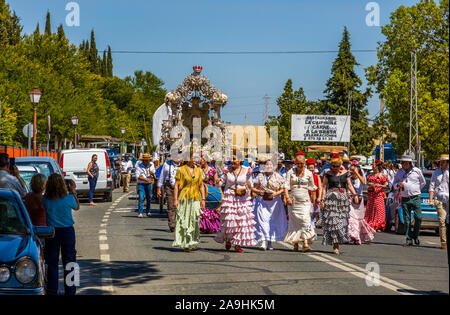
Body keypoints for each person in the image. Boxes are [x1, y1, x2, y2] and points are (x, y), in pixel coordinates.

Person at [42, 174, 80, 295]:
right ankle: (71, 291)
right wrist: (73, 192)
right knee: (70, 261)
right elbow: (77, 207)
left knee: (52, 262)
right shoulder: (68, 198)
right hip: (67, 231)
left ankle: (52, 290)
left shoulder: (45, 199)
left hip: (51, 232)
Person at [215, 154, 257, 252]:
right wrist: (219, 181)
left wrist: (251, 190)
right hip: (230, 197)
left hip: (242, 198)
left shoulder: (247, 170)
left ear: (240, 160)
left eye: (234, 159)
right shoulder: (227, 170)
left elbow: (249, 183)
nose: (232, 161)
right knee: (230, 220)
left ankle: (238, 243)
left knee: (241, 220)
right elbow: (222, 181)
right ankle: (228, 239)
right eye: (231, 159)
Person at [319, 155, 359, 255]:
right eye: (333, 166)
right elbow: (323, 187)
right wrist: (322, 200)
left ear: (340, 165)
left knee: (341, 221)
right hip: (331, 200)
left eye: (337, 166)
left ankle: (338, 242)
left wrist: (355, 195)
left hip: (342, 200)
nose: (334, 168)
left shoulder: (346, 173)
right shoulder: (327, 174)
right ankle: (335, 244)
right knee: (333, 223)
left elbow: (349, 185)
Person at [172, 153, 205, 252]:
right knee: (185, 219)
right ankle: (186, 243)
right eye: (193, 157)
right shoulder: (181, 170)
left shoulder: (199, 170)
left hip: (195, 198)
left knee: (195, 219)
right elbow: (176, 186)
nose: (196, 159)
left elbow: (201, 186)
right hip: (184, 197)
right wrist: (175, 199)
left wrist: (203, 199)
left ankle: (193, 241)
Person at [252, 160, 288, 250]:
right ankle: (263, 241)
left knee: (272, 222)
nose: (268, 167)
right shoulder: (259, 176)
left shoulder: (278, 176)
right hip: (262, 201)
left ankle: (270, 242)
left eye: (270, 165)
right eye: (267, 165)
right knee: (262, 221)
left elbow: (283, 188)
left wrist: (275, 194)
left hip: (274, 202)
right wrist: (259, 191)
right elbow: (253, 188)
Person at [284, 156, 317, 252]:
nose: (299, 166)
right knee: (295, 223)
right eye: (298, 163)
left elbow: (312, 188)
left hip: (305, 202)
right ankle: (295, 243)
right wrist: (287, 197)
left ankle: (305, 242)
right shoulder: (290, 172)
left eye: (301, 164)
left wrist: (314, 202)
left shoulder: (309, 173)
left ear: (304, 163)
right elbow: (286, 186)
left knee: (305, 220)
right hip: (293, 202)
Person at [393, 155, 426, 246]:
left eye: (404, 163)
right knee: (407, 220)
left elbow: (423, 182)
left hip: (415, 197)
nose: (402, 164)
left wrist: (415, 190)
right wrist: (398, 185)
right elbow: (394, 183)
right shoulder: (399, 172)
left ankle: (415, 235)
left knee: (418, 217)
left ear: (409, 163)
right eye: (402, 162)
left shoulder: (417, 171)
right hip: (405, 198)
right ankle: (408, 239)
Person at [348, 162, 375, 244]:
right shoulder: (348, 178)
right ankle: (352, 236)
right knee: (351, 218)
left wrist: (357, 173)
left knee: (359, 220)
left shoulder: (360, 177)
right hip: (350, 199)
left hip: (359, 201)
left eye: (353, 170)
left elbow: (363, 182)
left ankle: (357, 236)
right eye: (351, 170)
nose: (352, 172)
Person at [157, 154, 183, 232]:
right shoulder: (167, 164)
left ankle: (180, 224)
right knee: (171, 206)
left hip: (181, 189)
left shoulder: (183, 165)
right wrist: (159, 188)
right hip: (169, 187)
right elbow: (162, 177)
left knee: (181, 207)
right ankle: (172, 225)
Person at [429, 154, 449, 250]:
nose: (442, 164)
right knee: (442, 220)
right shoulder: (436, 173)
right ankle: (444, 242)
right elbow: (431, 186)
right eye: (441, 162)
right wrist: (431, 200)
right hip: (439, 199)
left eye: (444, 162)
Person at [365, 160, 388, 232]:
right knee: (370, 209)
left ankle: (379, 225)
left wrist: (379, 185)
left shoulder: (382, 175)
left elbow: (385, 185)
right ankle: (370, 223)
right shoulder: (371, 175)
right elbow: (368, 182)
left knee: (379, 209)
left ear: (377, 166)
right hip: (371, 194)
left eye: (373, 165)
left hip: (379, 194)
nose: (372, 167)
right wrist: (371, 184)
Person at [199, 156, 221, 234]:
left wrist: (219, 181)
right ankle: (202, 227)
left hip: (210, 192)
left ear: (206, 160)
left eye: (201, 159)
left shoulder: (212, 170)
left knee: (210, 209)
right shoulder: (198, 170)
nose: (200, 161)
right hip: (201, 192)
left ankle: (210, 226)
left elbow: (216, 181)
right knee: (202, 209)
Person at [135, 154, 156, 218]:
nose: (147, 161)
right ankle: (140, 212)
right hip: (141, 184)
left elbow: (154, 174)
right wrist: (146, 179)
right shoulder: (138, 166)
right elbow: (137, 176)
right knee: (141, 197)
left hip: (149, 184)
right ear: (143, 160)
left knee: (149, 198)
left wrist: (152, 173)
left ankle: (148, 211)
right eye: (146, 160)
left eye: (148, 160)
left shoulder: (151, 165)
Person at [306, 158, 322, 235]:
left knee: (313, 218)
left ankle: (312, 232)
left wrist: (320, 198)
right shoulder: (305, 177)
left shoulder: (317, 177)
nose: (311, 170)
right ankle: (309, 233)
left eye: (312, 168)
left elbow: (320, 187)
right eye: (309, 168)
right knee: (308, 217)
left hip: (315, 200)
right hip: (306, 199)